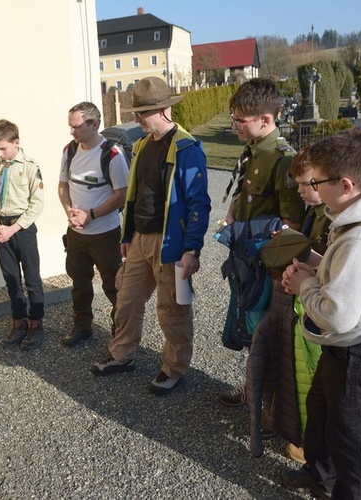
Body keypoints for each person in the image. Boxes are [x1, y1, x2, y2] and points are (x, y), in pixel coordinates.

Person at [280, 128, 361, 499]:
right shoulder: (359, 212)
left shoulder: (360, 240)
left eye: (317, 181)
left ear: (347, 184)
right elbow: (348, 282)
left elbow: (337, 316)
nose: (313, 189)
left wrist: (304, 286)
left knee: (356, 445)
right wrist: (315, 271)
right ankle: (321, 476)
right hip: (348, 346)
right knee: (322, 415)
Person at [89, 77, 211, 396]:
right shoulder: (142, 145)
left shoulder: (187, 148)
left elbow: (199, 203)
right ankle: (122, 356)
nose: (136, 119)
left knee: (173, 309)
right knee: (126, 301)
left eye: (142, 113)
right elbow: (135, 194)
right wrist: (128, 233)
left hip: (171, 244)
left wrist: (192, 249)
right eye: (137, 112)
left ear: (164, 109)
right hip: (141, 239)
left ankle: (174, 368)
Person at [219, 77, 306, 406]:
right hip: (247, 261)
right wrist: (231, 218)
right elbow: (243, 192)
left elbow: (291, 225)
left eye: (240, 120)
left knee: (268, 335)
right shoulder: (253, 151)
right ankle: (253, 389)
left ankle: (268, 409)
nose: (234, 126)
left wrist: (257, 248)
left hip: (268, 267)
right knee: (252, 330)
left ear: (266, 120)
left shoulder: (284, 159)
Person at [58, 102, 129, 346]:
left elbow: (122, 194)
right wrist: (70, 212)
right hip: (76, 233)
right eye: (70, 126)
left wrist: (90, 215)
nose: (71, 131)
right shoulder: (69, 151)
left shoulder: (112, 155)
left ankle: (120, 332)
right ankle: (82, 327)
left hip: (105, 234)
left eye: (76, 126)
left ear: (94, 124)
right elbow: (63, 186)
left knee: (113, 286)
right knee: (79, 283)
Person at [283, 148, 333, 465]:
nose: (300, 191)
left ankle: (316, 451)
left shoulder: (336, 218)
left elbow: (333, 269)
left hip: (324, 313)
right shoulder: (316, 211)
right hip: (310, 301)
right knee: (307, 379)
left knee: (318, 382)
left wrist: (304, 258)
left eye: (305, 184)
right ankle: (309, 442)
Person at [0, 119, 45, 351]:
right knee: (11, 278)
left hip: (23, 229)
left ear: (16, 143)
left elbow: (37, 205)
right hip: (3, 229)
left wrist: (13, 228)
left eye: (3, 148)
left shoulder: (29, 166)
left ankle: (36, 324)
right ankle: (18, 321)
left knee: (32, 278)